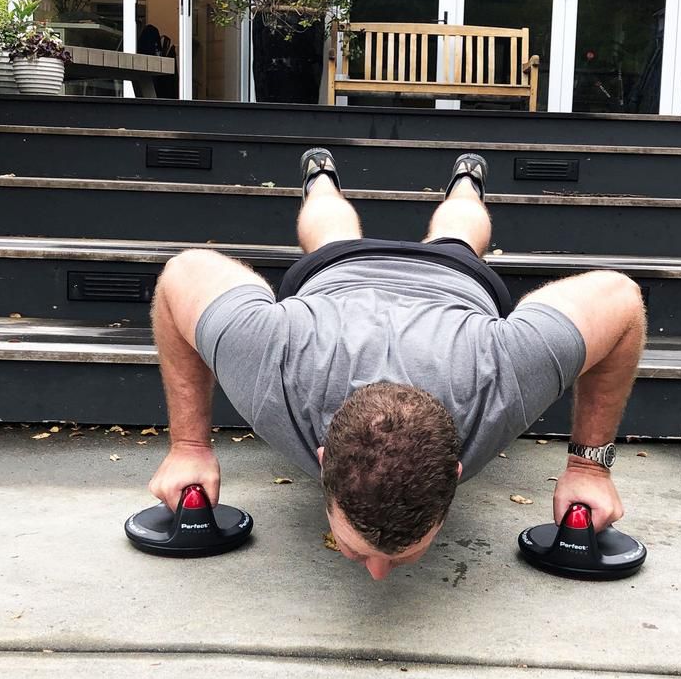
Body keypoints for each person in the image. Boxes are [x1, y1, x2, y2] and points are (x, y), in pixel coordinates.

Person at [147, 148, 646, 581]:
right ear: (323, 464)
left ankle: (467, 180)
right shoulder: (271, 360)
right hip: (340, 275)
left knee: (458, 234)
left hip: (447, 279)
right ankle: (320, 175)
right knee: (329, 233)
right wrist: (187, 447)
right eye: (355, 546)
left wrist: (591, 469)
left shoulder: (503, 372)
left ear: (454, 475)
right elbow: (183, 276)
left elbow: (621, 302)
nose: (379, 575)